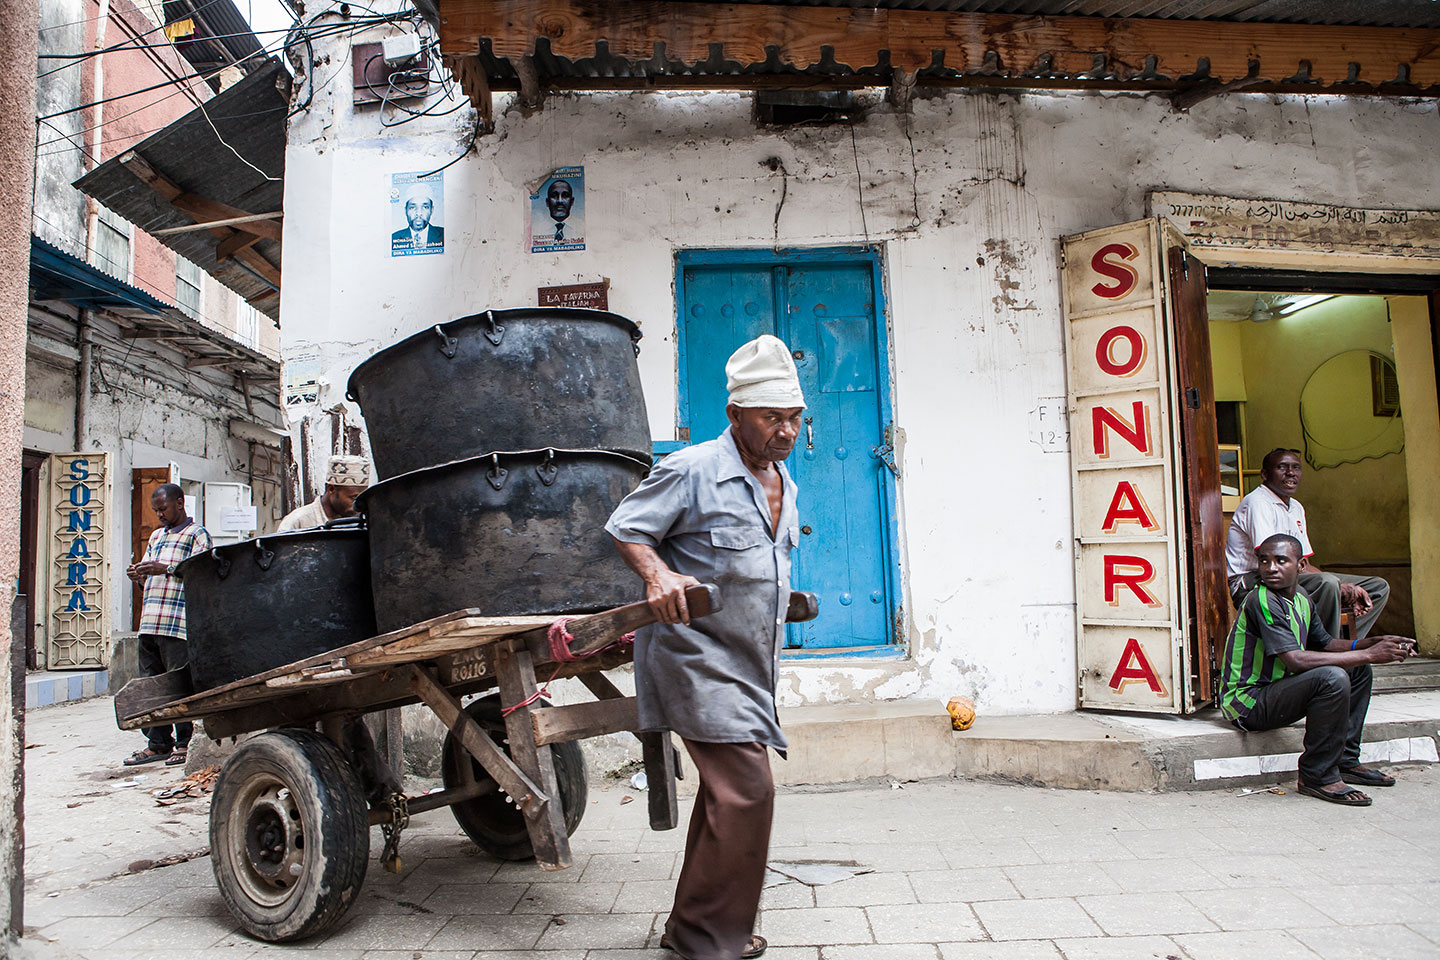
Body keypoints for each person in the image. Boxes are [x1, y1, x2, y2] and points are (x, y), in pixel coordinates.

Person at [605, 333, 805, 960]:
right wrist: (657, 575)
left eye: (794, 418)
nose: (786, 431)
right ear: (736, 415)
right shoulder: (692, 469)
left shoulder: (784, 483)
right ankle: (709, 940)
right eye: (772, 418)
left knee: (727, 793)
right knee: (748, 788)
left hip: (750, 664)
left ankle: (694, 926)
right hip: (694, 657)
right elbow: (627, 528)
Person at [1219, 533, 1416, 806]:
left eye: (1281, 561)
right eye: (1264, 561)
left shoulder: (1300, 597)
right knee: (1332, 677)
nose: (1271, 568)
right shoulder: (1261, 600)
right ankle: (1317, 775)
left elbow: (1324, 643)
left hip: (1275, 692)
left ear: (1300, 566)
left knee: (1358, 670)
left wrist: (1373, 643)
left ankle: (1345, 761)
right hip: (1247, 702)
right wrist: (1369, 653)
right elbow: (1296, 661)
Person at [1224, 447, 1389, 640]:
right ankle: (1327, 649)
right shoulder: (1258, 502)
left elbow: (1304, 564)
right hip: (1254, 579)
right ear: (1264, 475)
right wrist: (1338, 584)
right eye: (1282, 467)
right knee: (1328, 583)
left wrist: (1343, 584)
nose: (1291, 473)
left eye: (1296, 468)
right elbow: (1273, 561)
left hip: (1288, 574)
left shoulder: (1296, 507)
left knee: (1377, 587)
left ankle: (1336, 643)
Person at [123, 483, 211, 766]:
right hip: (150, 621)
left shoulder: (197, 534)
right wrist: (138, 573)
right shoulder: (156, 535)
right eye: (156, 511)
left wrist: (167, 569)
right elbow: (148, 577)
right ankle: (158, 743)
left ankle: (185, 743)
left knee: (178, 684)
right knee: (152, 685)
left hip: (177, 623)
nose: (159, 515)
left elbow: (204, 573)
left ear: (180, 503)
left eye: (163, 509)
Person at [279, 455, 371, 531]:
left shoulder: (363, 521)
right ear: (331, 489)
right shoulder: (298, 521)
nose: (358, 504)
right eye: (354, 497)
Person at [545, 178, 574, 243]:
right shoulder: (538, 230)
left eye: (565, 196)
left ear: (572, 201)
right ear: (547, 202)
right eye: (554, 196)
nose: (560, 201)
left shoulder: (579, 231)